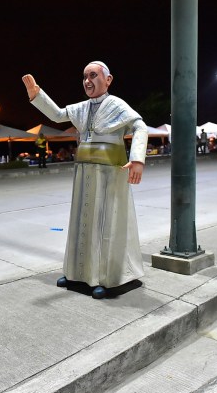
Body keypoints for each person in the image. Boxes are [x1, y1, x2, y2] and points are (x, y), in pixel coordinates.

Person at [22, 61, 148, 299]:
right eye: (84, 77)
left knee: (105, 224)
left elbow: (139, 126)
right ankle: (77, 274)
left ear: (108, 80)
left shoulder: (117, 105)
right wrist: (37, 96)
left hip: (110, 173)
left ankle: (105, 277)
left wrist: (138, 159)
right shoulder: (82, 107)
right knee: (82, 223)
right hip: (84, 173)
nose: (88, 81)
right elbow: (59, 115)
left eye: (93, 75)